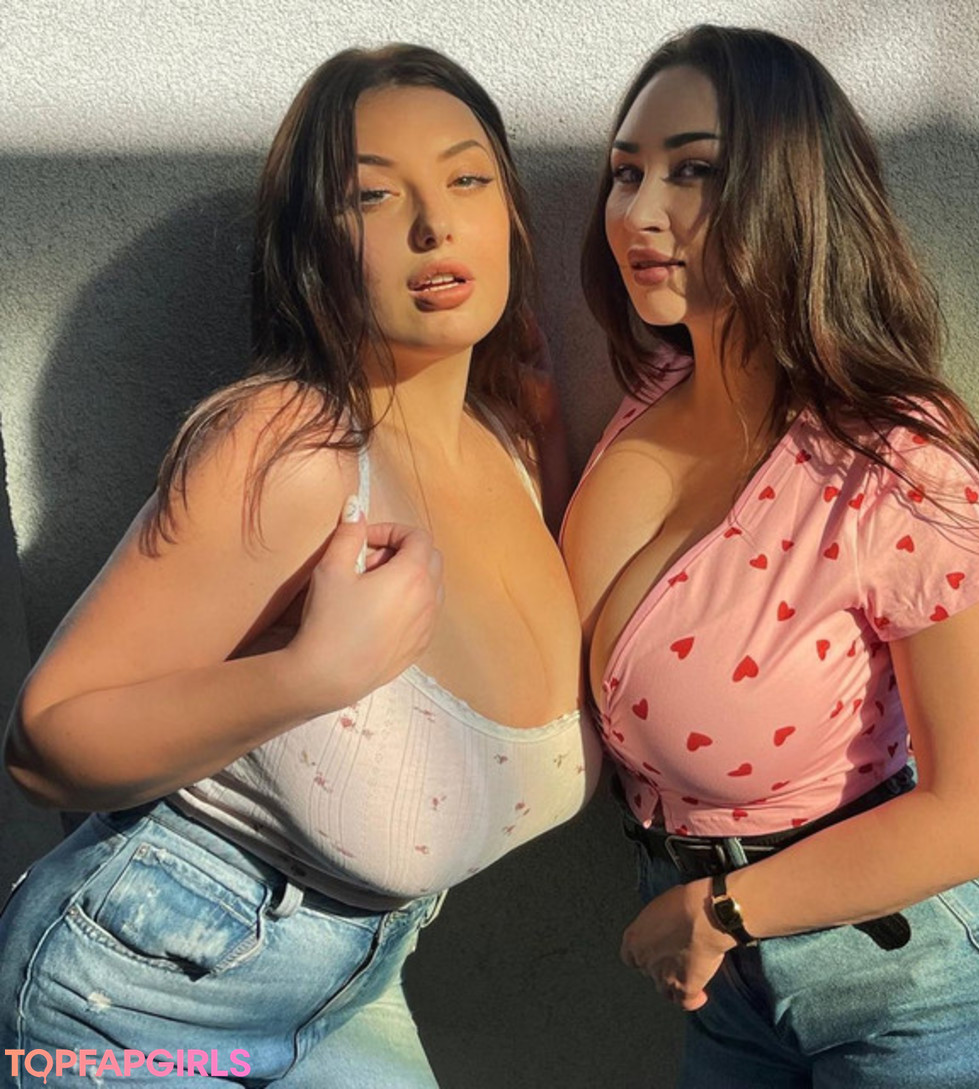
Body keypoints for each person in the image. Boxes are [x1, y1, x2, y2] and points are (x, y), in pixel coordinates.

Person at [1, 44, 600, 1087]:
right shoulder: (294, 448)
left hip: (351, 977)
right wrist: (308, 674)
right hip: (134, 990)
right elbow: (44, 746)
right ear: (313, 245)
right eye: (373, 196)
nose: (433, 225)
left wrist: (548, 433)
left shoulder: (507, 444)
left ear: (510, 214)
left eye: (467, 179)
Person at [561, 24, 979, 1088]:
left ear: (790, 190)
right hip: (733, 992)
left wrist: (722, 909)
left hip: (929, 993)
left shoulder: (895, 458)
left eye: (693, 171)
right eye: (627, 171)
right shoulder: (647, 404)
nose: (637, 212)